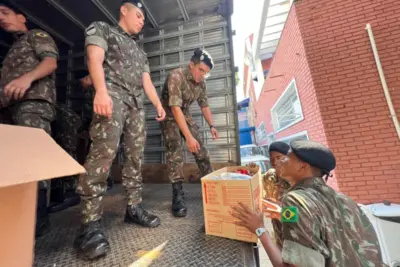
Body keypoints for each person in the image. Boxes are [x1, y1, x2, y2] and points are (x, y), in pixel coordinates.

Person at [73, 0, 166, 260]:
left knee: (135, 158)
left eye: (143, 18)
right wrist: (101, 91)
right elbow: (95, 57)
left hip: (136, 105)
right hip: (112, 96)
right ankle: (89, 225)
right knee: (103, 155)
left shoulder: (139, 50)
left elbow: (145, 79)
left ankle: (133, 208)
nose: (141, 21)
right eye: (138, 15)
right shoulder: (102, 29)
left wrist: (158, 103)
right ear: (123, 10)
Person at [231, 140, 386, 267]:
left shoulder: (294, 199)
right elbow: (320, 222)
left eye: (287, 157)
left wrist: (259, 229)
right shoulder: (345, 199)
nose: (280, 161)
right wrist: (283, 213)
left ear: (302, 167)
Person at [0, 2, 58, 237]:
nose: (1, 19)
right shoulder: (12, 50)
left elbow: (50, 62)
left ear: (22, 17)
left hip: (33, 103)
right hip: (10, 109)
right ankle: (20, 214)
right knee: (15, 164)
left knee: (35, 160)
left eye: (5, 13)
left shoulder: (36, 35)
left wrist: (27, 79)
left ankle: (37, 217)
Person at [160, 48, 219, 217]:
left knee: (201, 150)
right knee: (175, 151)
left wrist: (212, 126)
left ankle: (212, 188)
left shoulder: (201, 83)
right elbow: (175, 108)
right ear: (191, 65)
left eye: (206, 73)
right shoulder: (176, 76)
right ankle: (177, 196)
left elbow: (204, 105)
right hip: (169, 115)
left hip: (183, 113)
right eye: (201, 70)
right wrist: (188, 137)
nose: (202, 75)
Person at [262, 141, 291, 249]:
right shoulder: (271, 175)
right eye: (271, 158)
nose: (274, 162)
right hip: (279, 237)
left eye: (279, 157)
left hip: (296, 241)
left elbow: (305, 219)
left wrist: (282, 213)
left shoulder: (295, 180)